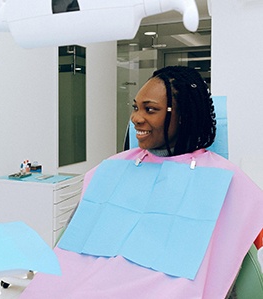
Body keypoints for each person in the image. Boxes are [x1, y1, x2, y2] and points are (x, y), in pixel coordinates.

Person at [20, 66, 263, 298]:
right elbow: (74, 239)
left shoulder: (221, 179)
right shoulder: (113, 168)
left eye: (150, 109)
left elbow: (245, 245)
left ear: (184, 116)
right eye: (136, 107)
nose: (136, 118)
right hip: (80, 285)